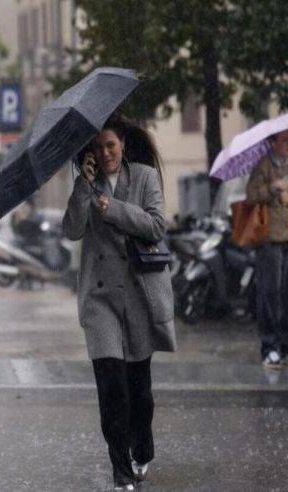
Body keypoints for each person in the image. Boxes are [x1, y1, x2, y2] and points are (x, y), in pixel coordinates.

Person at [62, 114, 176, 491]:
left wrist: (115, 210)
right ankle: (121, 470)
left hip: (138, 295)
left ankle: (142, 445)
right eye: (97, 147)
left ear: (123, 143)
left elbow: (158, 225)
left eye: (110, 145)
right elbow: (72, 230)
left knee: (139, 393)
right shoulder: (86, 184)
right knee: (111, 389)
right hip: (100, 301)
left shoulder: (143, 177)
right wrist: (83, 189)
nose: (105, 152)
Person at [245, 129, 288, 370]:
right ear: (272, 143)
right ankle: (269, 346)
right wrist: (272, 188)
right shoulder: (262, 167)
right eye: (284, 140)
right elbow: (250, 197)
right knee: (270, 293)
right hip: (269, 237)